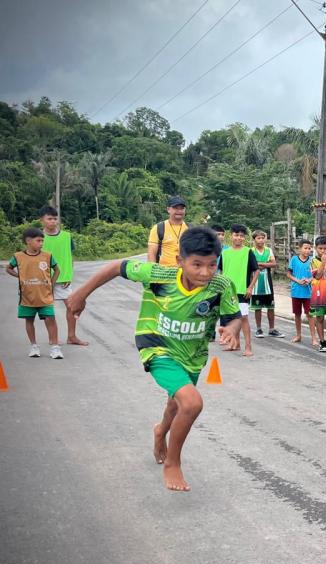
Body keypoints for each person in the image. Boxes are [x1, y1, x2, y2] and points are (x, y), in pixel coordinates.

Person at [67, 227, 242, 491]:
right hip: (156, 346)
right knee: (192, 403)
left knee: (176, 404)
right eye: (197, 264)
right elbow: (117, 266)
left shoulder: (221, 285)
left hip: (192, 355)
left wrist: (232, 330)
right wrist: (81, 294)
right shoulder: (159, 275)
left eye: (211, 265)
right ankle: (173, 463)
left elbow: (234, 317)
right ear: (180, 261)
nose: (205, 272)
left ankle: (161, 431)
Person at [6, 227, 63, 359]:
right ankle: (34, 347)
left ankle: (55, 347)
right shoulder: (18, 257)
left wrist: (52, 284)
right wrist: (19, 277)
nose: (41, 243)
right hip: (27, 297)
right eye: (39, 241)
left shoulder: (47, 256)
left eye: (42, 241)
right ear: (28, 241)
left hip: (45, 296)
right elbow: (8, 268)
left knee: (51, 319)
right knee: (29, 320)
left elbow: (57, 270)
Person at [40, 205, 88, 346]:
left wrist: (69, 275)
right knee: (48, 310)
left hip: (63, 280)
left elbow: (70, 257)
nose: (53, 221)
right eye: (49, 219)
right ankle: (52, 338)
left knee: (73, 307)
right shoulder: (38, 237)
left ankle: (71, 336)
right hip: (44, 280)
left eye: (55, 219)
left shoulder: (67, 236)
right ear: (42, 220)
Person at [218, 223, 258, 356]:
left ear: (244, 238)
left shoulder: (248, 252)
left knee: (243, 318)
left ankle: (248, 347)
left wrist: (250, 287)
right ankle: (235, 344)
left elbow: (256, 271)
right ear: (231, 236)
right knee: (231, 319)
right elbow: (221, 271)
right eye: (236, 235)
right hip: (227, 292)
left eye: (241, 236)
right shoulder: (225, 253)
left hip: (241, 290)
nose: (239, 238)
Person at [250, 229, 283, 338]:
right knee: (257, 307)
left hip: (267, 282)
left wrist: (260, 264)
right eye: (258, 238)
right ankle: (259, 329)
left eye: (263, 238)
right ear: (254, 239)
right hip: (256, 283)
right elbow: (251, 265)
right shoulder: (251, 251)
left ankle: (271, 329)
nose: (261, 240)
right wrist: (266, 264)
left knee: (271, 306)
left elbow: (274, 264)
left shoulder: (268, 250)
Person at [287, 239, 316, 345]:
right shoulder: (294, 259)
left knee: (310, 315)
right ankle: (298, 335)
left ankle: (314, 338)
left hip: (309, 293)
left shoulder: (312, 261)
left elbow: (316, 275)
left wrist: (309, 280)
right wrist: (297, 281)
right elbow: (289, 274)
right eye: (305, 248)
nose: (308, 250)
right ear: (299, 249)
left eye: (309, 248)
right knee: (297, 314)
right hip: (296, 291)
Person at [148, 196, 189, 266]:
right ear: (168, 209)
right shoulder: (158, 228)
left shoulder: (191, 229)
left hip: (186, 273)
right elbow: (151, 255)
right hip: (164, 273)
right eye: (176, 208)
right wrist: (153, 272)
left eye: (181, 208)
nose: (179, 211)